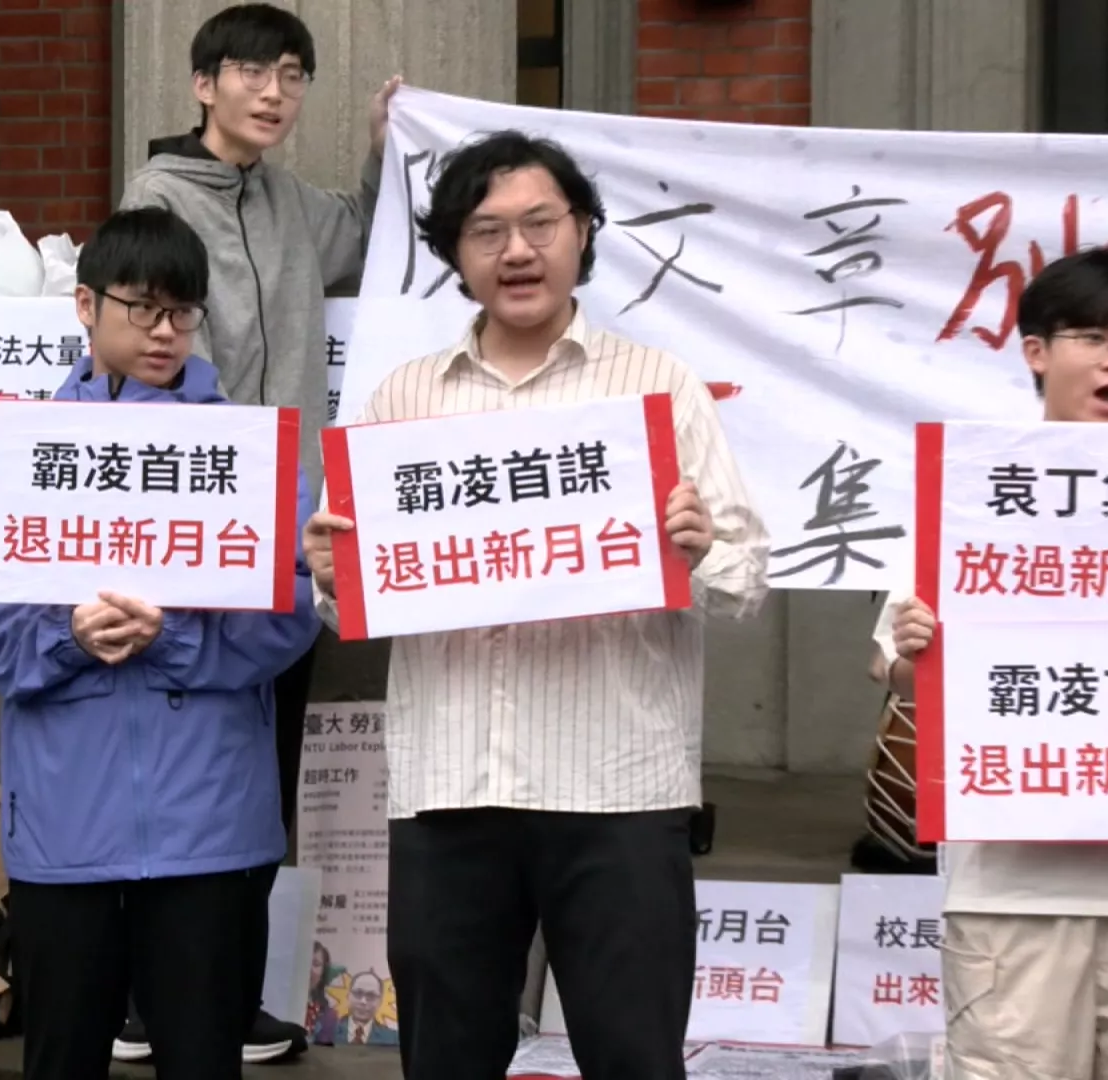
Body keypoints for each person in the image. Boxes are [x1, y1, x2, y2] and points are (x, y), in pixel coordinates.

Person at [301, 131, 769, 1080]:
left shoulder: (660, 389)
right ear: (454, 252)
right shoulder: (402, 401)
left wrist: (697, 548)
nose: (517, 251)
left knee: (634, 1057)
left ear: (582, 232)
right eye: (487, 231)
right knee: (446, 1059)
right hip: (449, 789)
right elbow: (347, 605)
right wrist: (331, 573)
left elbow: (747, 573)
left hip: (618, 789)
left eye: (540, 224)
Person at [0, 206, 321, 1080]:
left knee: (203, 1057)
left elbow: (297, 612)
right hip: (64, 816)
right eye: (143, 308)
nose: (164, 331)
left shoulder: (246, 449)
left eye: (182, 311)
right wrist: (67, 634)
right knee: (62, 1056)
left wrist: (174, 638)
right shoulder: (22, 450)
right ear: (86, 305)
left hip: (210, 817)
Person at [118, 3, 399, 1061]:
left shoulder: (287, 201)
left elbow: (365, 236)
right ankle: (151, 1004)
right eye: (251, 72)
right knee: (179, 763)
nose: (274, 93)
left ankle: (223, 1002)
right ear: (204, 85)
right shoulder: (157, 200)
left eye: (291, 74)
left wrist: (387, 151)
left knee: (262, 768)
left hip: (292, 532)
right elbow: (144, 357)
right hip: (191, 525)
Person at [873, 247, 1108, 1080]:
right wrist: (916, 649)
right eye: (1095, 337)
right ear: (1037, 352)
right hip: (1013, 899)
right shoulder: (977, 491)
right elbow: (896, 671)